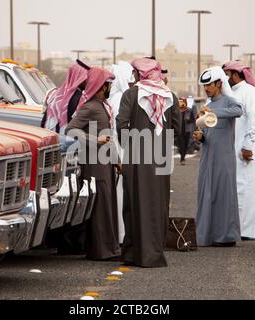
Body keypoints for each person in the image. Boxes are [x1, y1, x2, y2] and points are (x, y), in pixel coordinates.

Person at [116, 57, 180, 268]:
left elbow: (121, 123)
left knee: (135, 203)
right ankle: (154, 253)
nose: (134, 76)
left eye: (136, 73)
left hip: (136, 159)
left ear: (140, 74)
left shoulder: (131, 94)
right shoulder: (170, 96)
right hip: (161, 160)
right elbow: (177, 128)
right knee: (158, 204)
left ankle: (134, 254)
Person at [65, 67, 121, 261]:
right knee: (100, 206)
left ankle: (108, 249)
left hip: (105, 162)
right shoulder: (90, 106)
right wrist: (93, 140)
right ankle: (102, 251)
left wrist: (116, 161)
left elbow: (108, 137)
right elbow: (70, 129)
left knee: (107, 204)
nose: (109, 88)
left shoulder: (102, 106)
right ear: (100, 86)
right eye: (107, 85)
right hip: (94, 163)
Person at [194, 66, 243, 247]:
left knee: (224, 195)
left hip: (224, 158)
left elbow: (239, 111)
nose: (206, 88)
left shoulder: (229, 101)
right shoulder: (206, 106)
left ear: (219, 84)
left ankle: (226, 236)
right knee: (206, 194)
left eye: (209, 85)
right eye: (204, 85)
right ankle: (207, 235)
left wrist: (213, 113)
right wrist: (201, 136)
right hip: (207, 156)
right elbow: (205, 132)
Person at [223, 61, 255, 241]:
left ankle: (246, 230)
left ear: (235, 74)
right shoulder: (231, 92)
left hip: (246, 148)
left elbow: (254, 120)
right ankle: (235, 228)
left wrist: (248, 146)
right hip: (234, 147)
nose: (226, 78)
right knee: (235, 188)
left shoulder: (250, 92)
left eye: (227, 74)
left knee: (245, 188)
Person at [107, 61, 136, 245]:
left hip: (116, 150)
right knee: (122, 195)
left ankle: (121, 234)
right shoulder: (121, 99)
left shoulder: (113, 98)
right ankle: (123, 235)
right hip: (121, 151)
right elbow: (121, 129)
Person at [43, 60, 90, 133]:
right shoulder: (80, 99)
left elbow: (44, 122)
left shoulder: (56, 95)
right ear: (79, 78)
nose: (88, 81)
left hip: (51, 139)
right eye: (86, 78)